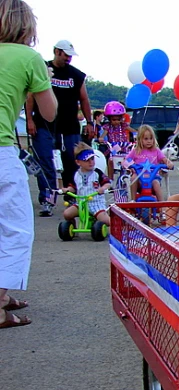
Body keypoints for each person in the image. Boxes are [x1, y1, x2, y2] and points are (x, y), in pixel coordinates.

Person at [0, 0, 57, 329]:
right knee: (16, 229)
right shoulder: (28, 58)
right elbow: (49, 113)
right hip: (3, 151)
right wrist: (41, 80)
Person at [25, 39, 93, 217]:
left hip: (69, 126)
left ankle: (71, 195)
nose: (68, 58)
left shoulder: (76, 75)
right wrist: (29, 120)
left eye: (70, 56)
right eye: (65, 55)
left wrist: (90, 122)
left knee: (72, 160)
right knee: (45, 161)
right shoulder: (43, 69)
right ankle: (47, 199)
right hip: (44, 124)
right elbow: (31, 95)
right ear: (56, 51)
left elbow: (84, 100)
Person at [59, 142, 111, 227]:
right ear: (78, 162)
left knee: (106, 220)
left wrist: (103, 188)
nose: (91, 162)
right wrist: (67, 190)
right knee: (67, 214)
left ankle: (117, 229)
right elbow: (73, 187)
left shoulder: (97, 172)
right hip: (81, 204)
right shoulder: (76, 174)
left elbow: (107, 183)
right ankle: (71, 226)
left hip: (95, 203)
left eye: (92, 159)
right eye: (87, 160)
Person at [123, 124, 172, 202]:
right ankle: (132, 200)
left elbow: (164, 159)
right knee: (133, 178)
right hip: (140, 177)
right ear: (140, 139)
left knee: (156, 184)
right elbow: (126, 160)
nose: (149, 141)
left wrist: (169, 164)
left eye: (151, 138)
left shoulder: (156, 151)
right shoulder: (136, 151)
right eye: (146, 139)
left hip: (153, 177)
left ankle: (162, 205)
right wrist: (130, 166)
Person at [98, 101, 133, 179]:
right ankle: (110, 179)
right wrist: (101, 138)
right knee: (110, 160)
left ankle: (128, 175)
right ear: (109, 119)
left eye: (118, 119)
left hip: (124, 147)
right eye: (114, 120)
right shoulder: (108, 127)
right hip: (113, 148)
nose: (116, 122)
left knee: (129, 160)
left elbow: (132, 130)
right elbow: (104, 134)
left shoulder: (123, 125)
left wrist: (138, 133)